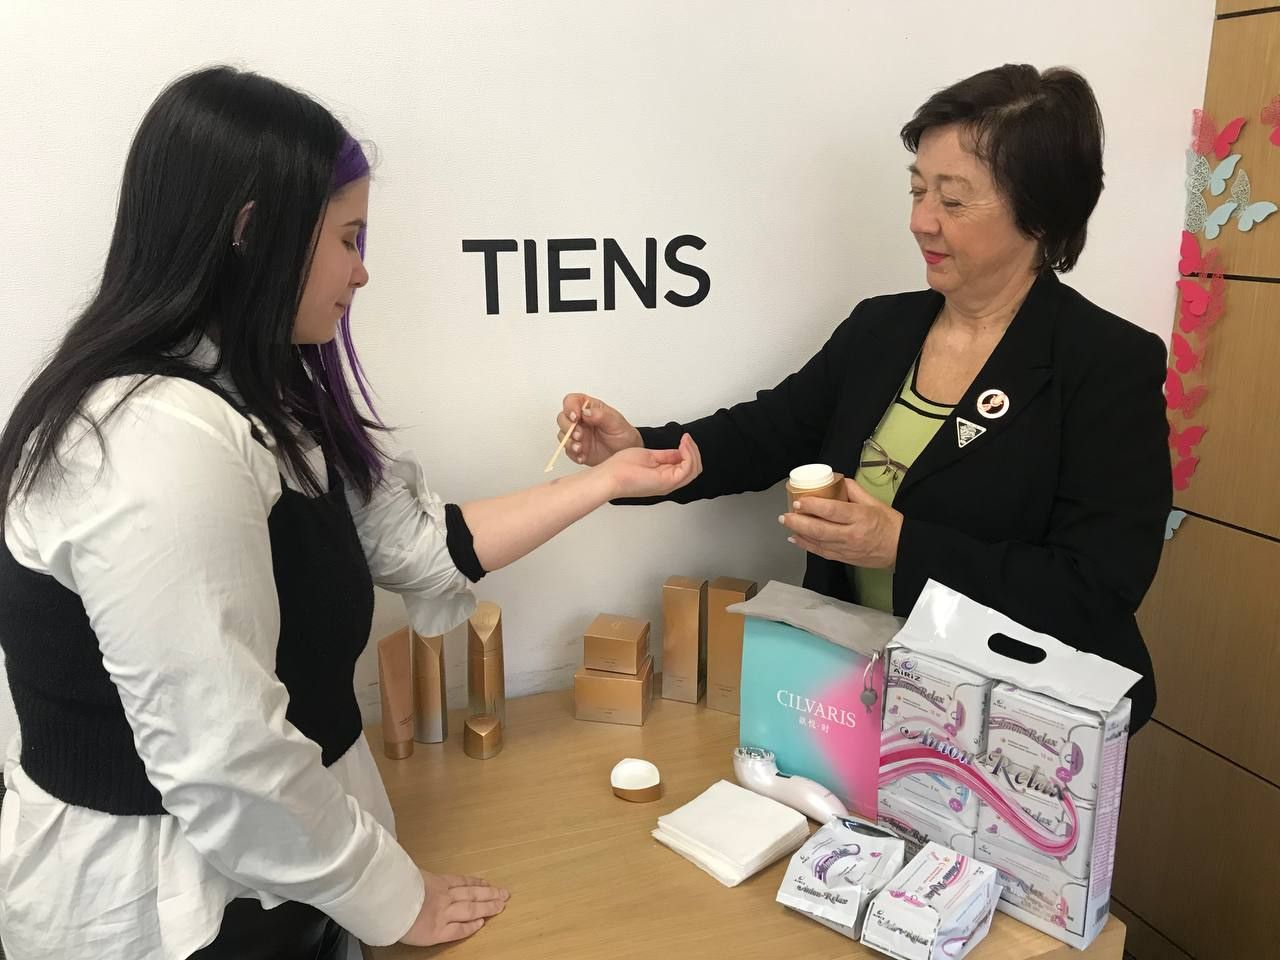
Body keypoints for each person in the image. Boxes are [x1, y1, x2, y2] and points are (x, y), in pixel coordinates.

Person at [0, 66, 701, 960]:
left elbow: (415, 545)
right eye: (347, 238)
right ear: (252, 233)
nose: (363, 272)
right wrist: (396, 901)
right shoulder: (151, 442)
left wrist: (603, 483)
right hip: (180, 910)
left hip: (291, 871)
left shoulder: (259, 399)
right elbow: (225, 759)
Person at [556, 64, 1170, 730]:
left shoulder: (1106, 364)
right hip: (856, 700)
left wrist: (903, 546)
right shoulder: (882, 329)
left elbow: (1095, 588)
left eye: (953, 201)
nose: (920, 221)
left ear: (1040, 215)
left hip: (1011, 729)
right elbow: (767, 433)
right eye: (917, 190)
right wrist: (637, 450)